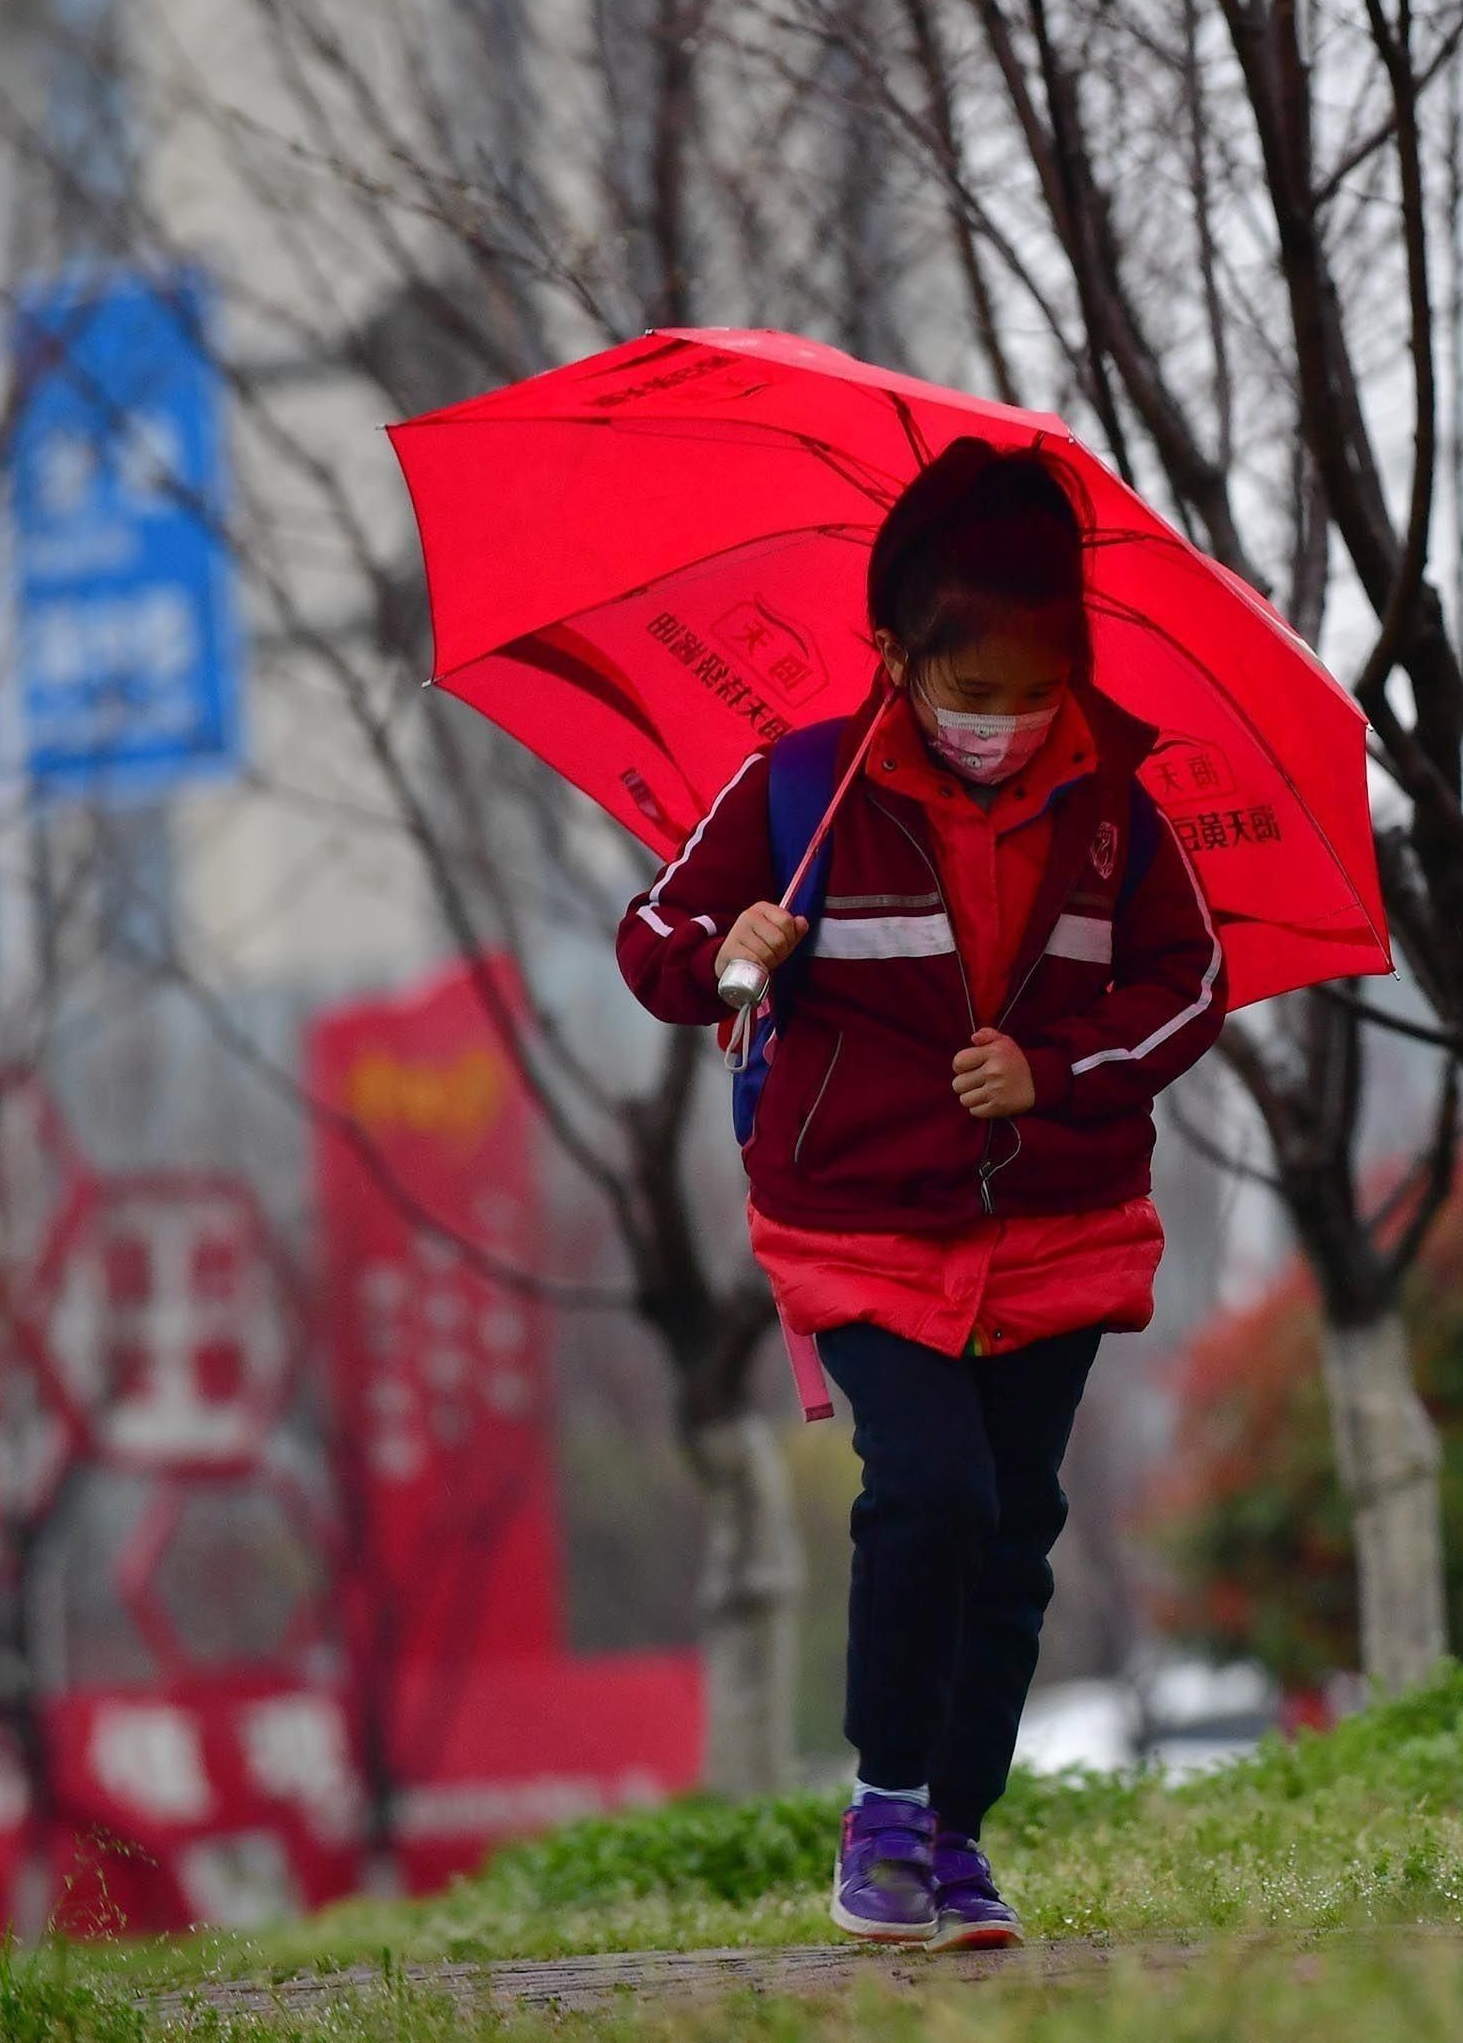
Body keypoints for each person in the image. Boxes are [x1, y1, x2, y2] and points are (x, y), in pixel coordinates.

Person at [614, 440, 1226, 1948]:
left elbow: (1190, 985)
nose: (1008, 725)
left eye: (1036, 692)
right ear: (895, 656)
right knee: (931, 1492)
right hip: (861, 1221)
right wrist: (731, 947)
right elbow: (650, 938)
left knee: (1016, 1529)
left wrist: (1057, 1070)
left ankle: (958, 1838)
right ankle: (883, 1808)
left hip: (1057, 1225)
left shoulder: (1113, 809)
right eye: (977, 692)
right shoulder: (798, 789)